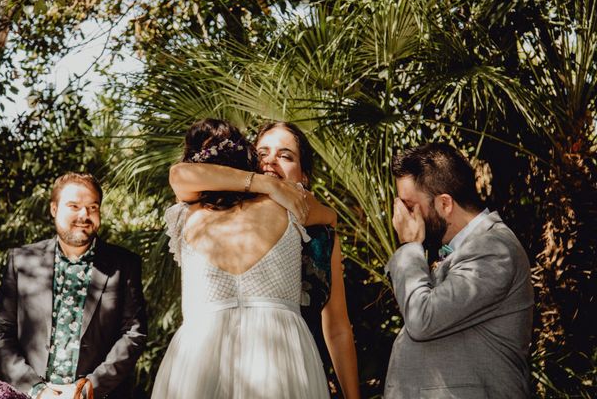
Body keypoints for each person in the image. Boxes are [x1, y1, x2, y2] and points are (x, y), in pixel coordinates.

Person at [168, 121, 360, 398]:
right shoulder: (206, 204)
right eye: (262, 153)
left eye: (285, 155)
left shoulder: (317, 231)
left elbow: (338, 327)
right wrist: (264, 184)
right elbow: (180, 174)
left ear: (303, 176)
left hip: (287, 365)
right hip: (206, 363)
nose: (271, 161)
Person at [384, 143, 534, 398]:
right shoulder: (464, 247)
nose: (401, 216)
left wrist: (410, 246)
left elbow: (423, 318)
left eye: (410, 206)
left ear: (444, 204)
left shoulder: (495, 249)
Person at [0, 173, 147, 399]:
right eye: (74, 206)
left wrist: (89, 387)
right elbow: (0, 332)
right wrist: (36, 389)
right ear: (54, 209)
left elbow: (134, 333)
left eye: (93, 207)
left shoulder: (124, 264)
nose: (85, 215)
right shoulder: (22, 261)